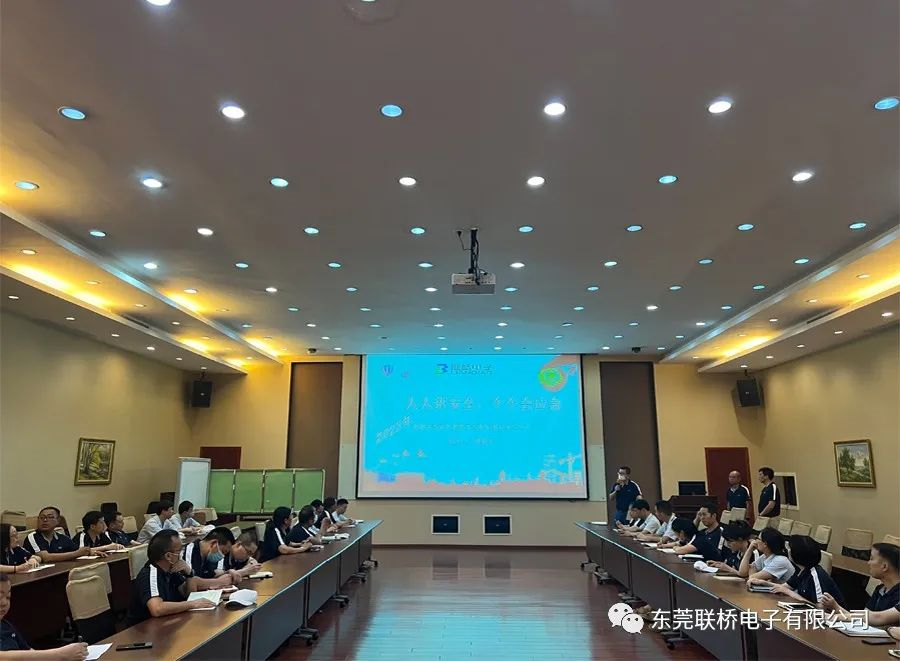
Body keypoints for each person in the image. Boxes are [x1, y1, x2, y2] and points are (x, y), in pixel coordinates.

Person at [126, 530, 217, 625]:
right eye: (180, 550)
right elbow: (157, 609)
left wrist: (189, 574)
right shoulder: (150, 573)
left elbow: (188, 594)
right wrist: (192, 604)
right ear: (168, 556)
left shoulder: (172, 569)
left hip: (166, 622)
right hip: (144, 628)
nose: (182, 553)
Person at [1, 573, 90, 658]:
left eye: (8, 597)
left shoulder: (6, 626)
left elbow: (30, 653)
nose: (4, 603)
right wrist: (61, 655)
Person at [823, 542, 900, 626]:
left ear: (884, 566)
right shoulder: (880, 589)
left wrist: (833, 617)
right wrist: (836, 607)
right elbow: (864, 618)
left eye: (871, 559)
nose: (868, 563)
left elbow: (878, 618)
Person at [755, 535, 845, 607]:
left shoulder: (816, 575)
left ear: (797, 554)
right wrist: (763, 583)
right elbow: (784, 587)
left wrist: (789, 592)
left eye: (790, 549)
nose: (788, 551)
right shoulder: (800, 570)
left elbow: (820, 608)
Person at [22, 507, 91, 562]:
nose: (45, 520)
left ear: (58, 520)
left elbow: (77, 550)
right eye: (42, 518)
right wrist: (77, 553)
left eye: (50, 517)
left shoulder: (62, 537)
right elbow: (46, 558)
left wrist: (90, 551)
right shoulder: (33, 537)